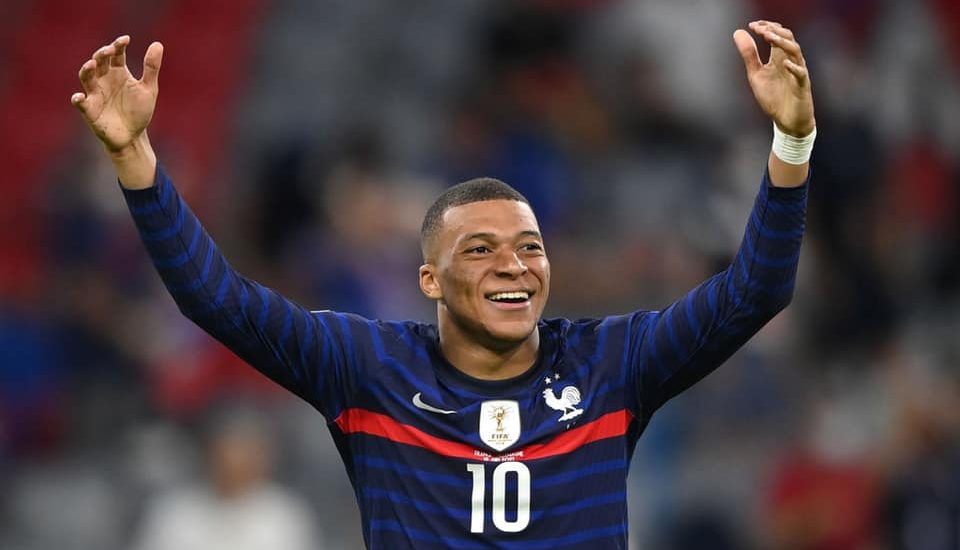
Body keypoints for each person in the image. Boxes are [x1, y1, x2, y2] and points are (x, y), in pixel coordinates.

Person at [71, 19, 816, 549]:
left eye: (530, 248)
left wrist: (791, 141)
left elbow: (756, 292)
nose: (514, 265)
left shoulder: (611, 364)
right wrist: (136, 159)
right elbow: (216, 298)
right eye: (482, 249)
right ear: (430, 278)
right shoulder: (368, 368)